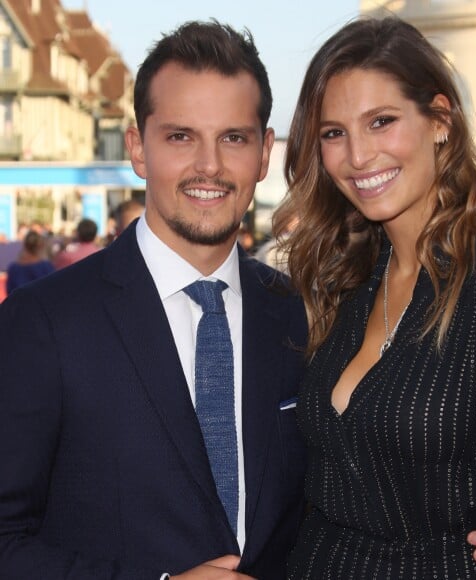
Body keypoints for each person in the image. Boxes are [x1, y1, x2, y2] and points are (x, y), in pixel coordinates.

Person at [274, 16, 476, 578]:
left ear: (440, 119)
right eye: (333, 132)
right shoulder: (344, 279)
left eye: (381, 122)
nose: (358, 156)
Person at [0, 21, 307, 579]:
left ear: (265, 153)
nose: (209, 165)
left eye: (233, 137)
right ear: (139, 147)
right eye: (181, 136)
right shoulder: (43, 322)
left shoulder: (295, 313)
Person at [6, 229, 55, 294]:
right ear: (40, 246)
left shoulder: (13, 268)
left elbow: (10, 292)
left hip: (20, 303)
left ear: (25, 245)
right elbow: (53, 290)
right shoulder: (46, 267)